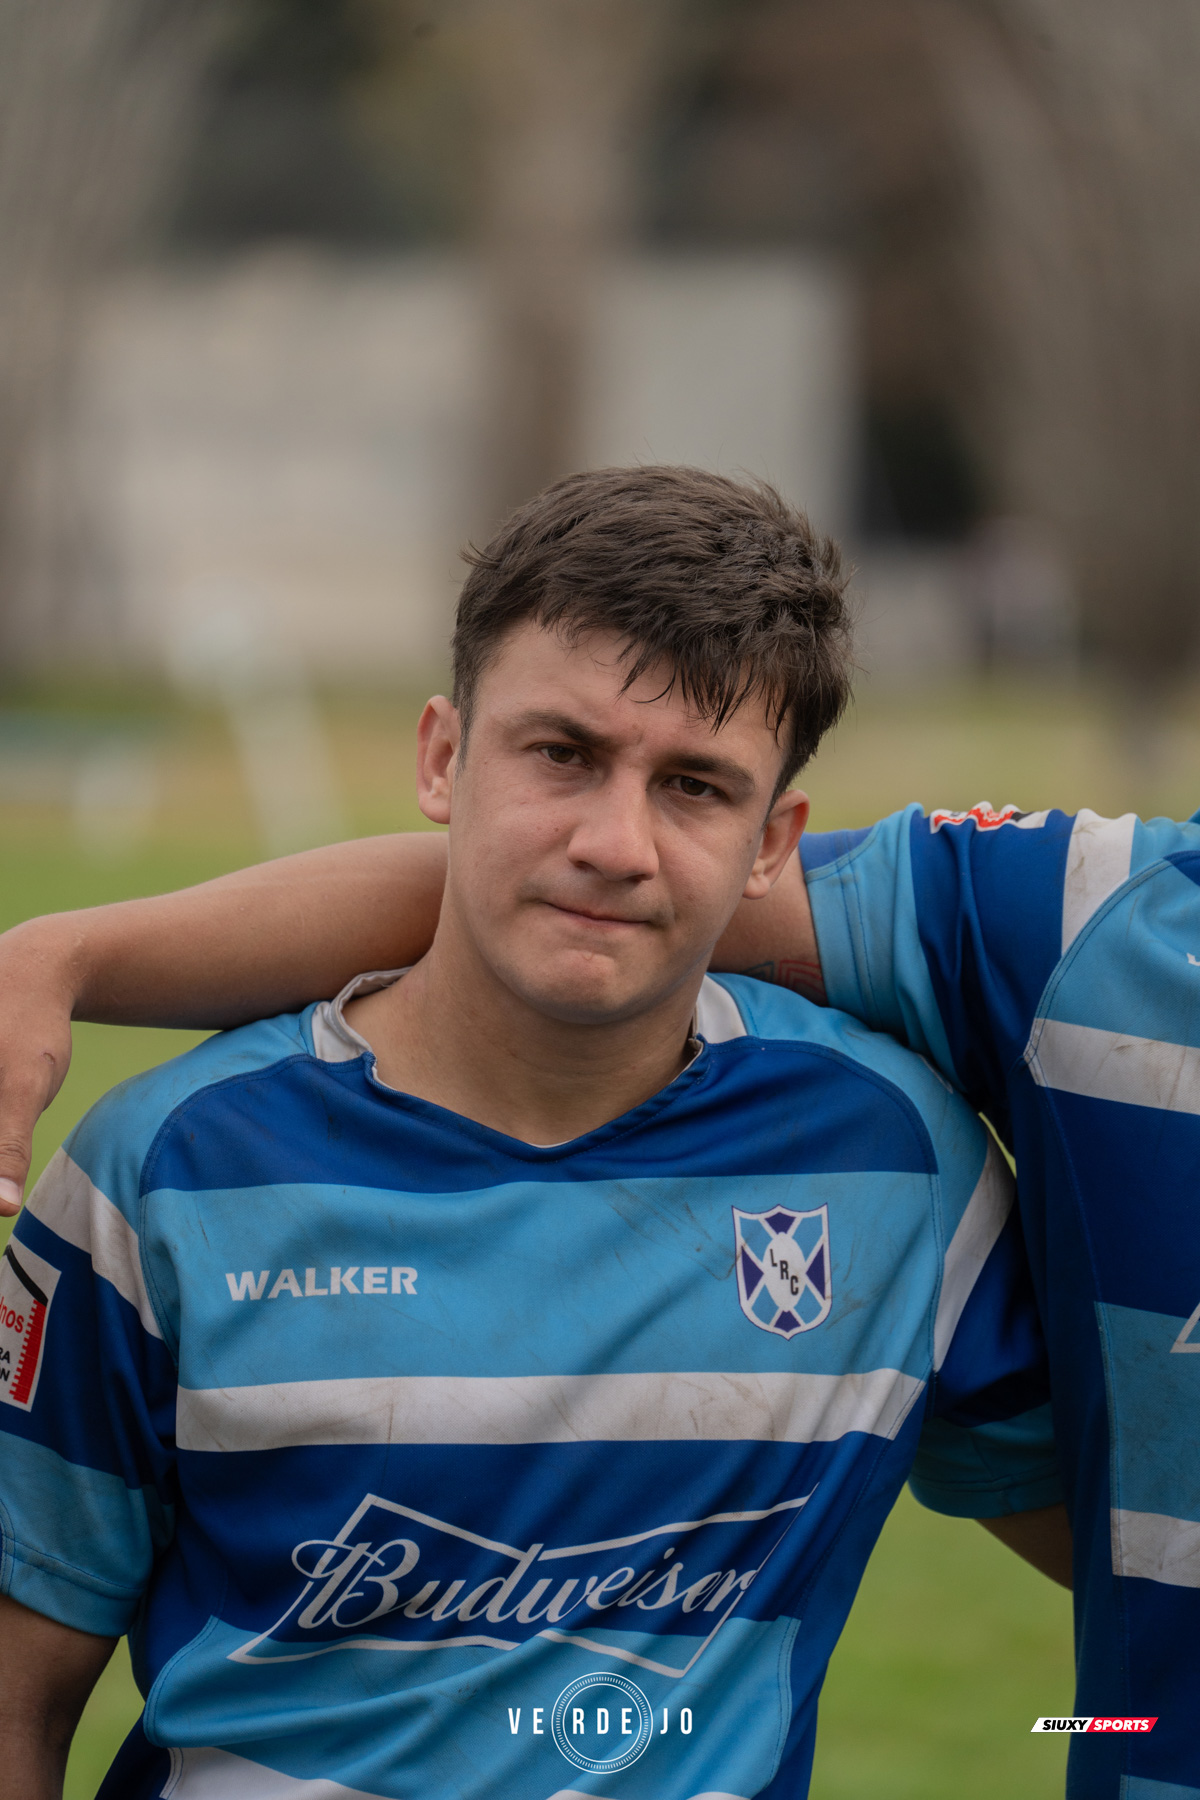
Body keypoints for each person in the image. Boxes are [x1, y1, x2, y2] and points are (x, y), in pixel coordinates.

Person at [0, 468, 1063, 1800]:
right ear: (445, 758)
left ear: (772, 842)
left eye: (693, 786)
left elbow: (1130, 1561)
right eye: (560, 755)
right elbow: (16, 1699)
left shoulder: (891, 1165)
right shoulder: (165, 1171)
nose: (614, 843)